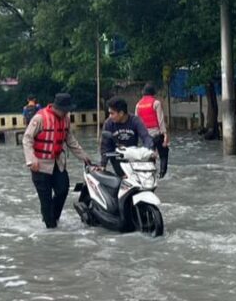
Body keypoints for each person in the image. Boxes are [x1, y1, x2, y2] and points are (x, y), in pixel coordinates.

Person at [22, 93, 92, 228]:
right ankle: (51, 228)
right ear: (58, 108)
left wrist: (84, 156)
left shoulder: (65, 119)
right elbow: (27, 138)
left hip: (57, 163)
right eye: (66, 110)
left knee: (63, 189)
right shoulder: (40, 118)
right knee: (46, 200)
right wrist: (31, 160)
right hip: (40, 165)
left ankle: (52, 218)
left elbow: (70, 140)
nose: (67, 112)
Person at [101, 97, 154, 177]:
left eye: (112, 113)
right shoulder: (108, 124)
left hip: (133, 157)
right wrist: (103, 165)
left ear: (121, 113)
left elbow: (146, 137)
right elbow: (105, 146)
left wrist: (150, 149)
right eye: (109, 113)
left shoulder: (135, 121)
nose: (110, 116)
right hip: (117, 158)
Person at [135, 84, 170, 178]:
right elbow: (160, 120)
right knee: (164, 154)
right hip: (157, 135)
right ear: (153, 93)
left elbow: (136, 122)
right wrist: (165, 134)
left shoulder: (138, 105)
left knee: (150, 157)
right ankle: (162, 174)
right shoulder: (156, 103)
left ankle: (151, 175)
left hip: (145, 137)